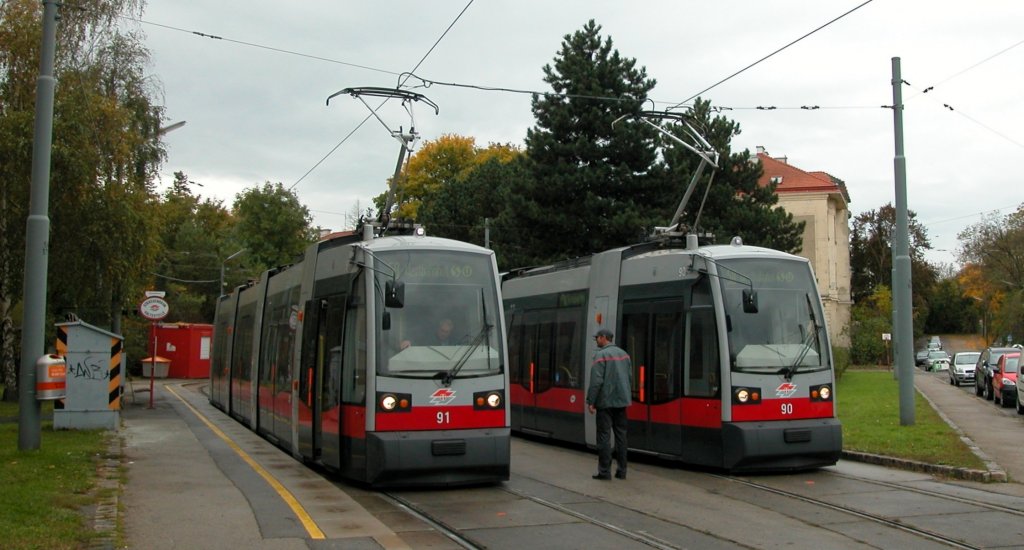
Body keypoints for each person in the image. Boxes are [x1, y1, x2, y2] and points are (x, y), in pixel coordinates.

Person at [585, 327, 632, 480]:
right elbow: (629, 378)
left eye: (597, 338)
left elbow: (596, 381)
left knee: (604, 437)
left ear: (604, 337)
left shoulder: (600, 355)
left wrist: (591, 401)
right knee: (621, 436)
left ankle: (604, 472)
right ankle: (622, 471)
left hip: (605, 403)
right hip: (622, 402)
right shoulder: (624, 355)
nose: (596, 340)